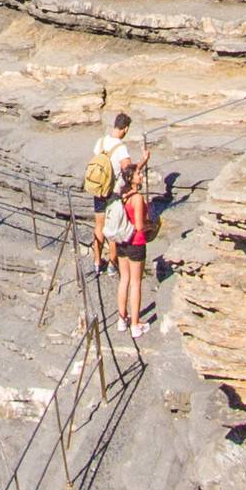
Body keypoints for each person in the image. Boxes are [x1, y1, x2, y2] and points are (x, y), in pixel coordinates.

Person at [85, 113, 147, 271]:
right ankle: (113, 264)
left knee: (99, 226)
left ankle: (97, 262)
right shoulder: (121, 148)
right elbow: (129, 173)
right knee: (113, 225)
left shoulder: (100, 142)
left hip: (98, 189)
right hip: (113, 193)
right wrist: (143, 162)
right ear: (125, 128)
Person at [101, 160, 149, 338]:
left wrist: (144, 160)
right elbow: (138, 226)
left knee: (124, 280)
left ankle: (122, 319)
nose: (141, 175)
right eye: (139, 174)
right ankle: (136, 325)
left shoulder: (123, 194)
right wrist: (150, 227)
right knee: (136, 282)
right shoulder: (137, 198)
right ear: (132, 178)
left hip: (122, 241)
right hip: (136, 242)